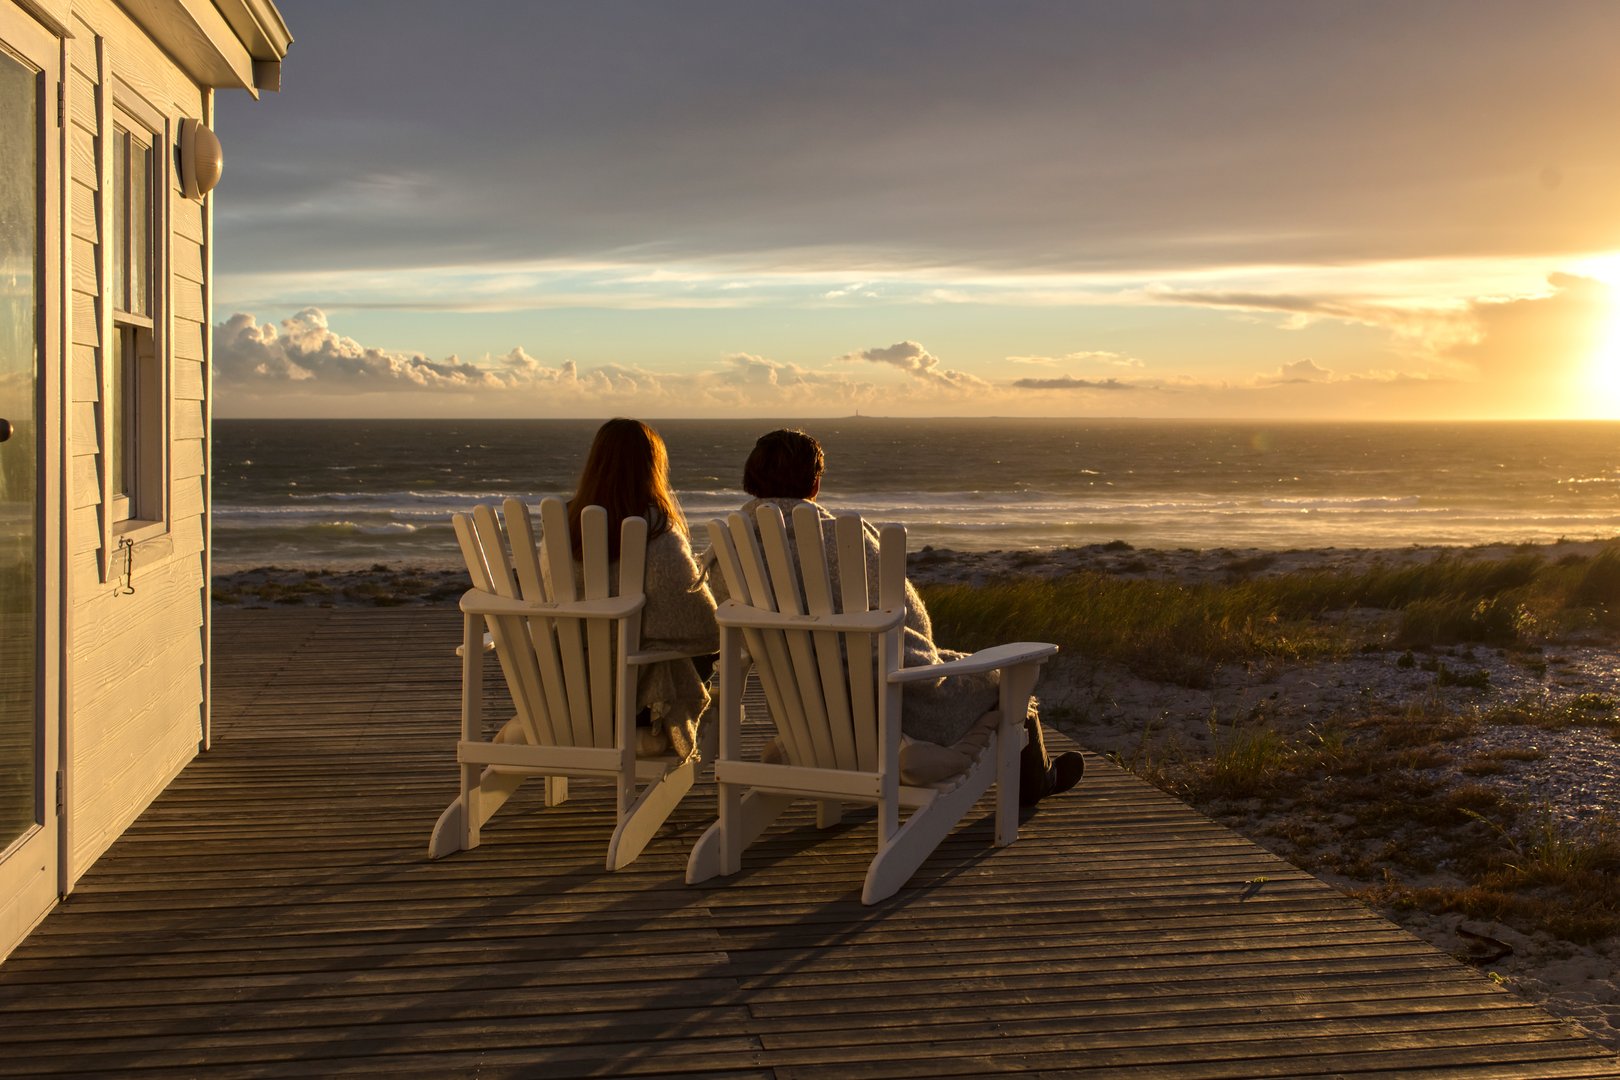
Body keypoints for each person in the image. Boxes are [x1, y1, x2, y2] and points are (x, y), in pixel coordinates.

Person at [715, 427, 1084, 805]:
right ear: (815, 483)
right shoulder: (845, 538)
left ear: (752, 479)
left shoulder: (730, 548)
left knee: (963, 664)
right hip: (896, 704)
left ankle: (1037, 774)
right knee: (1003, 677)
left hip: (807, 714)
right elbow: (911, 620)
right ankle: (1039, 779)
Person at [542, 418, 717, 760]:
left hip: (562, 695)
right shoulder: (655, 530)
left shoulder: (560, 525)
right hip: (634, 703)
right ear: (653, 469)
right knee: (704, 649)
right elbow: (702, 626)